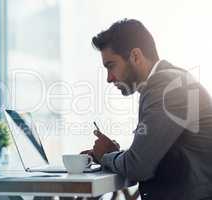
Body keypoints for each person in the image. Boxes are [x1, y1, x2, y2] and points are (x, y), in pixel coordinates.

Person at [81, 19, 212, 200]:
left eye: (111, 66)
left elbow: (138, 167)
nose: (109, 78)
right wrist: (114, 154)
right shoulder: (169, 80)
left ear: (135, 56)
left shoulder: (165, 86)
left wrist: (106, 156)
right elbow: (149, 156)